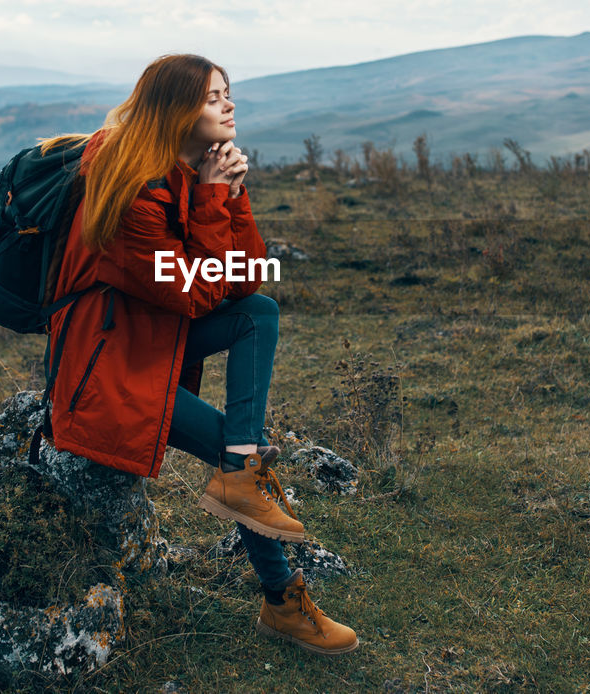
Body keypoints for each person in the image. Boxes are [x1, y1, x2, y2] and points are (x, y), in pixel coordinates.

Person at [39, 53, 358, 655]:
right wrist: (215, 198)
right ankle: (282, 600)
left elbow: (246, 280)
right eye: (214, 97)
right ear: (177, 111)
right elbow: (197, 293)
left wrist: (231, 198)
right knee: (229, 448)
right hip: (110, 366)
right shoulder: (132, 189)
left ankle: (242, 474)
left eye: (227, 93)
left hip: (152, 340)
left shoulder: (184, 171)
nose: (229, 105)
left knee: (257, 317)